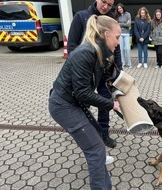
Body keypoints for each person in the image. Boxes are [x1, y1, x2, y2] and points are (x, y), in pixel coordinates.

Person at [49, 15, 121, 190]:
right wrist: (111, 105)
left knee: (97, 137)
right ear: (105, 34)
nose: (119, 42)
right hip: (63, 106)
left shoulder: (99, 52)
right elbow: (83, 93)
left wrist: (122, 91)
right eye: (117, 37)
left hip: (74, 103)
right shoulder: (85, 53)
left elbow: (109, 78)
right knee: (96, 150)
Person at [67, 0, 121, 148]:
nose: (106, 7)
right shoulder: (81, 17)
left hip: (104, 72)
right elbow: (72, 44)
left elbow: (116, 49)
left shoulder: (111, 21)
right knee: (84, 102)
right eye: (104, 2)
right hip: (86, 72)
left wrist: (119, 71)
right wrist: (75, 69)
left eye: (110, 5)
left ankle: (103, 134)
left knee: (105, 102)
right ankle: (84, 133)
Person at [115, 3, 132, 68]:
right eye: (118, 9)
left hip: (126, 34)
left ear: (123, 8)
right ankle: (123, 63)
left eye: (120, 8)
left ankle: (129, 63)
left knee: (127, 49)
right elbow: (116, 24)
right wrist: (124, 23)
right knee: (121, 49)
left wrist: (120, 24)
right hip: (120, 34)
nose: (119, 10)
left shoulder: (128, 14)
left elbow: (129, 25)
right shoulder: (117, 15)